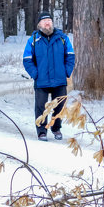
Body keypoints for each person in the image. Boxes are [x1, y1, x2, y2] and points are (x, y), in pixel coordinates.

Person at [22, 11, 75, 141]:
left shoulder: (63, 38)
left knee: (60, 106)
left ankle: (56, 128)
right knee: (41, 106)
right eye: (44, 21)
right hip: (41, 81)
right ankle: (41, 131)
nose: (47, 23)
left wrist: (66, 72)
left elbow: (70, 56)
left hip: (59, 80)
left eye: (49, 20)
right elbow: (27, 59)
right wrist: (36, 74)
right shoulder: (34, 40)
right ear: (39, 24)